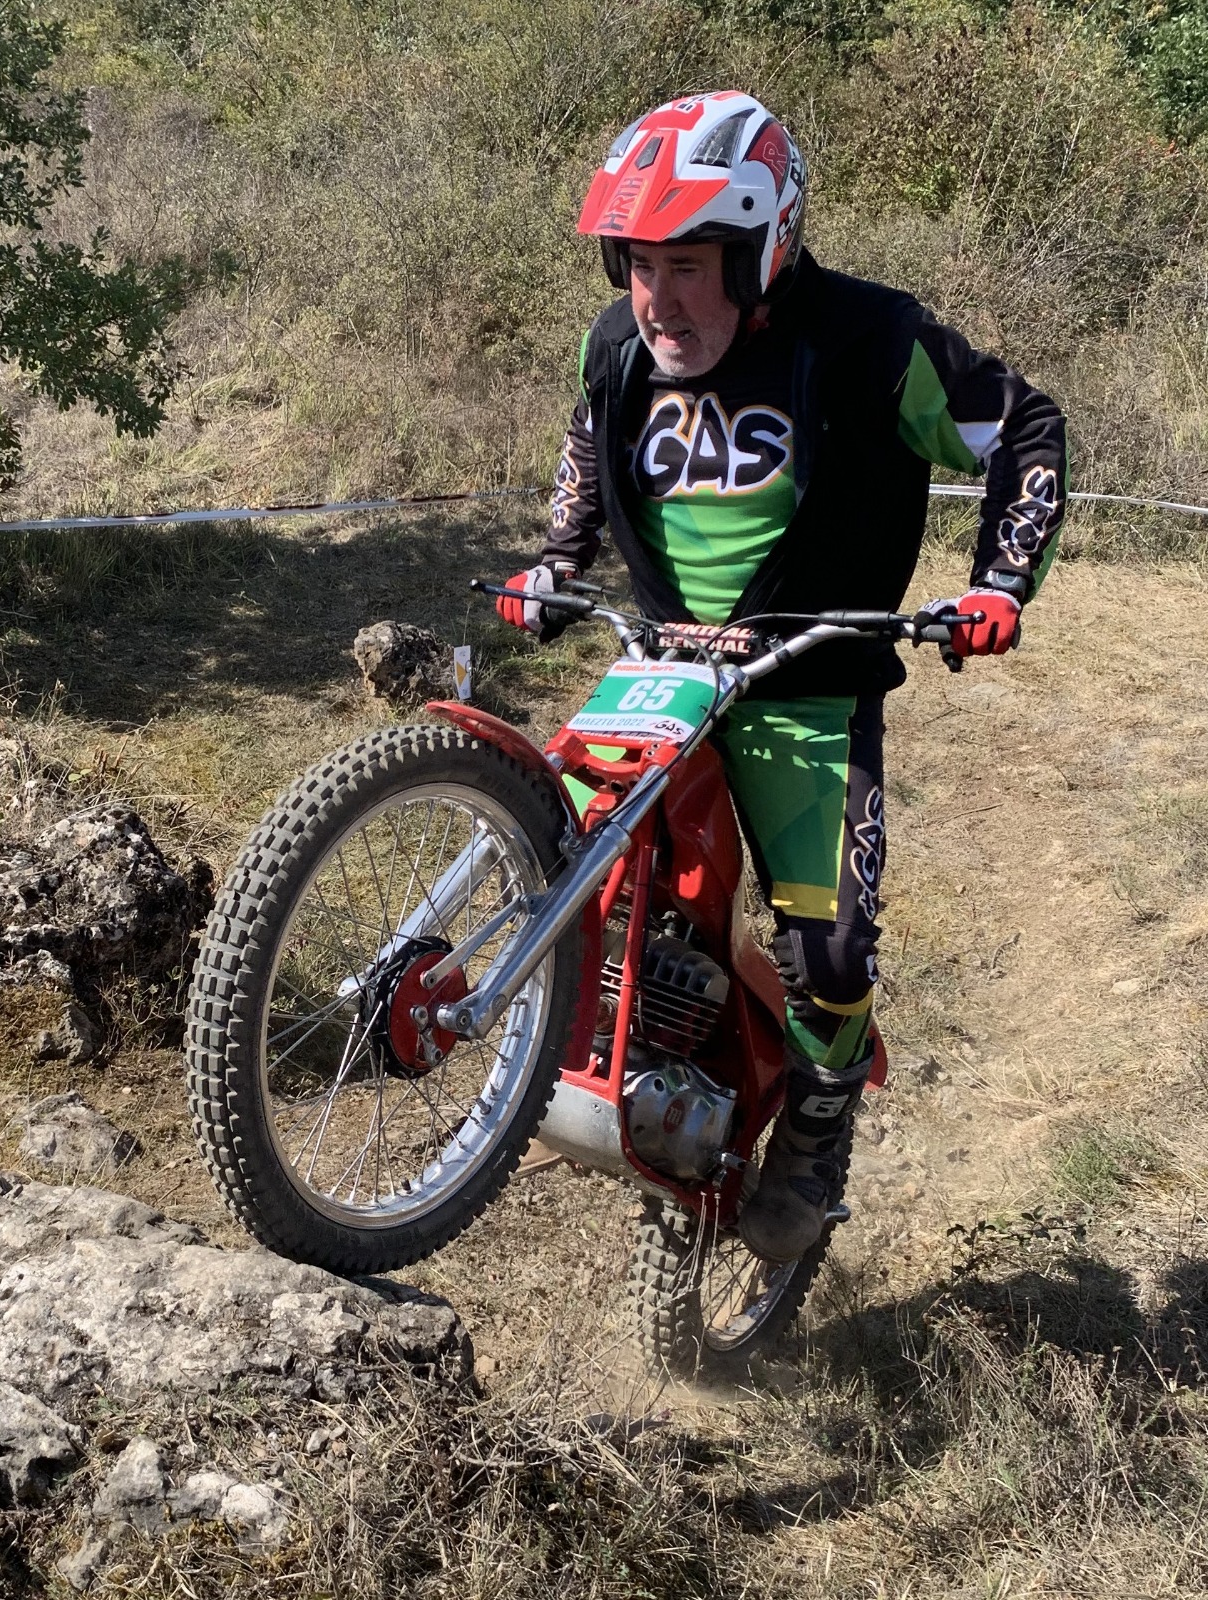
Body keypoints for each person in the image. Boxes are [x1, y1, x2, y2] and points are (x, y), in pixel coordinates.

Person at [496, 91, 1067, 1264]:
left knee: (830, 955)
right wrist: (557, 561)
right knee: (559, 880)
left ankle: (813, 1131)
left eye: (688, 265)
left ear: (764, 247)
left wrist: (998, 585)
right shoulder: (616, 347)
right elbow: (587, 449)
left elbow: (1020, 431)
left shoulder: (869, 340)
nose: (657, 299)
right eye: (636, 264)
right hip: (661, 674)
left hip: (805, 688)